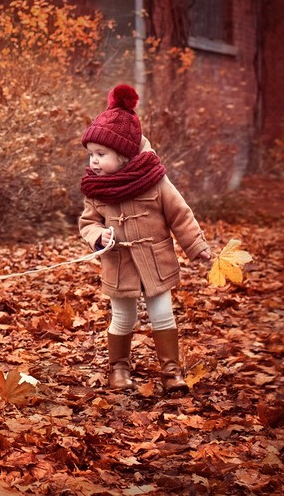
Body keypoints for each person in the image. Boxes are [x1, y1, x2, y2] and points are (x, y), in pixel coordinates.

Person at [78, 84, 211, 393]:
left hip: (155, 261)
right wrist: (98, 236)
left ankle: (170, 370)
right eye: (90, 155)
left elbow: (180, 215)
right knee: (123, 317)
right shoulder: (96, 189)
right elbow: (88, 223)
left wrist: (198, 248)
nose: (93, 162)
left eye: (101, 154)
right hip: (119, 262)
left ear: (125, 155)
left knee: (163, 313)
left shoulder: (155, 181)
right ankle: (119, 367)